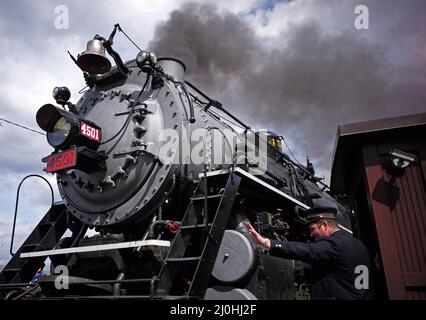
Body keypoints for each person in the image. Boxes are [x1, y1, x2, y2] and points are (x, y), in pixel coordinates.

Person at [245, 206, 374, 300]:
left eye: (313, 229)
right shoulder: (359, 245)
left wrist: (268, 243)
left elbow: (307, 250)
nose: (311, 234)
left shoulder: (335, 244)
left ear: (324, 225)